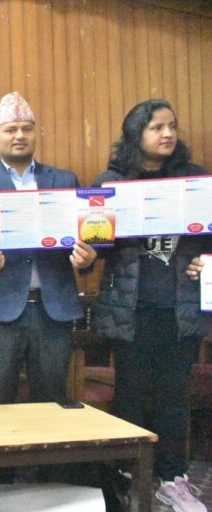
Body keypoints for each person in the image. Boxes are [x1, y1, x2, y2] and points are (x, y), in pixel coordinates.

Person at [94, 99, 209, 512]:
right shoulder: (111, 182)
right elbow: (96, 246)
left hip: (181, 308)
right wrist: (85, 247)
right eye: (157, 127)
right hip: (131, 309)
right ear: (136, 133)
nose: (167, 134)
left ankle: (173, 479)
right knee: (131, 394)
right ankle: (128, 478)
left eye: (172, 126)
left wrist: (206, 260)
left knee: (174, 397)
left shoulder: (195, 180)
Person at [0, 92, 97, 406]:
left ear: (36, 134)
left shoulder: (64, 181)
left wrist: (88, 259)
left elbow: (85, 242)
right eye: (11, 130)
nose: (19, 135)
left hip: (53, 310)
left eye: (27, 129)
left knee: (51, 403)